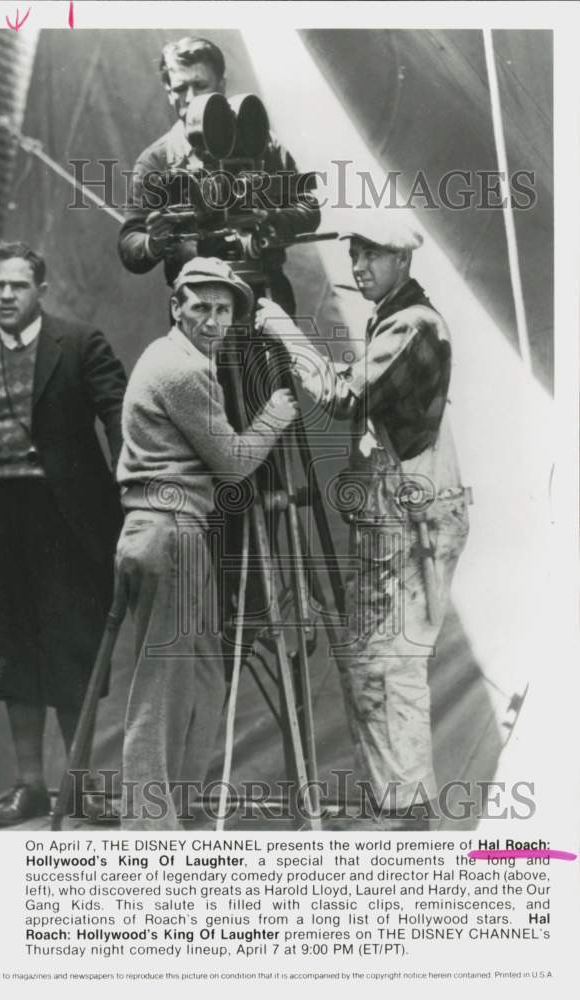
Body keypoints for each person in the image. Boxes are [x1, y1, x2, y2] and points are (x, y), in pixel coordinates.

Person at [255, 212, 470, 829]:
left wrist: (281, 329)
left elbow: (344, 398)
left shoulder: (414, 325)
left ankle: (406, 812)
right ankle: (394, 804)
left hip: (414, 517)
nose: (359, 266)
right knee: (375, 663)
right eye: (354, 254)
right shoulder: (394, 317)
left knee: (394, 664)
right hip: (395, 511)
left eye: (372, 254)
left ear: (403, 260)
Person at [0, 241, 127, 826]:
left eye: (18, 286)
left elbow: (123, 418)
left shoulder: (80, 345)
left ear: (40, 292)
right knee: (12, 657)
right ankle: (30, 787)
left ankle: (79, 787)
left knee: (72, 653)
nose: (6, 297)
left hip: (67, 525)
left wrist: (130, 489)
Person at [115, 257, 299, 830]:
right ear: (177, 306)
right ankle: (147, 835)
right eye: (201, 307)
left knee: (201, 678)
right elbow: (235, 464)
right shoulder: (180, 367)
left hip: (180, 531)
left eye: (223, 310)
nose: (213, 321)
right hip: (167, 531)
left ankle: (180, 813)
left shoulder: (188, 361)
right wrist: (274, 416)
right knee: (162, 689)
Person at [117, 36, 320, 311]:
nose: (189, 98)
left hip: (266, 295)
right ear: (168, 92)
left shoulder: (262, 145)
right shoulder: (157, 161)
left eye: (200, 86)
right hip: (198, 304)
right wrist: (154, 242)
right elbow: (131, 245)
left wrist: (272, 218)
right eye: (180, 88)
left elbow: (308, 208)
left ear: (221, 86)